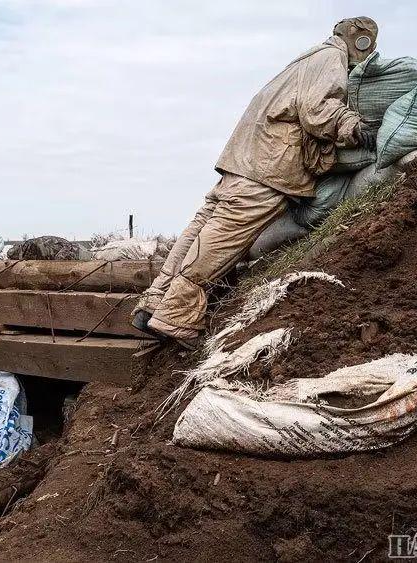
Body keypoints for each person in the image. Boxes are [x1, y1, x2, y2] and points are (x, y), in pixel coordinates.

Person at [132, 17, 379, 348]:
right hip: (268, 168)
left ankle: (153, 304)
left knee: (200, 229)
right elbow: (319, 109)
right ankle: (176, 317)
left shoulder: (304, 58)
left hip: (242, 160)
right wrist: (353, 127)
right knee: (223, 240)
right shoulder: (331, 59)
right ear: (361, 42)